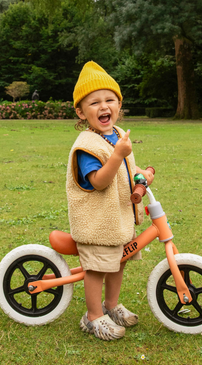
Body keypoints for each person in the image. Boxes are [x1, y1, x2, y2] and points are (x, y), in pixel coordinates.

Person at [66, 61, 154, 341]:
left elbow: (127, 168)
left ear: (119, 104)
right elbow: (99, 181)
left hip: (118, 218)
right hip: (97, 222)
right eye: (94, 102)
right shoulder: (87, 145)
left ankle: (111, 305)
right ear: (81, 111)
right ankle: (92, 317)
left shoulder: (117, 135)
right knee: (96, 268)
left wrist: (142, 174)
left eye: (110, 100)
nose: (104, 106)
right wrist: (117, 155)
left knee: (119, 262)